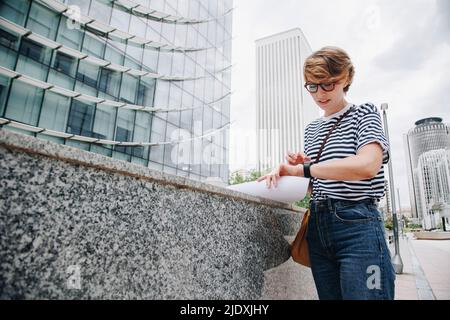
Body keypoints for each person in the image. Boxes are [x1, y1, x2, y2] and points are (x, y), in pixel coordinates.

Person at [257, 46, 395, 300]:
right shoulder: (312, 130)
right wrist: (298, 177)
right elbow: (318, 185)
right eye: (312, 86)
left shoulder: (364, 113)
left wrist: (307, 168)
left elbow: (367, 166)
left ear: (346, 78)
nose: (319, 94)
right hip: (318, 226)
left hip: (358, 225)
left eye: (328, 84)